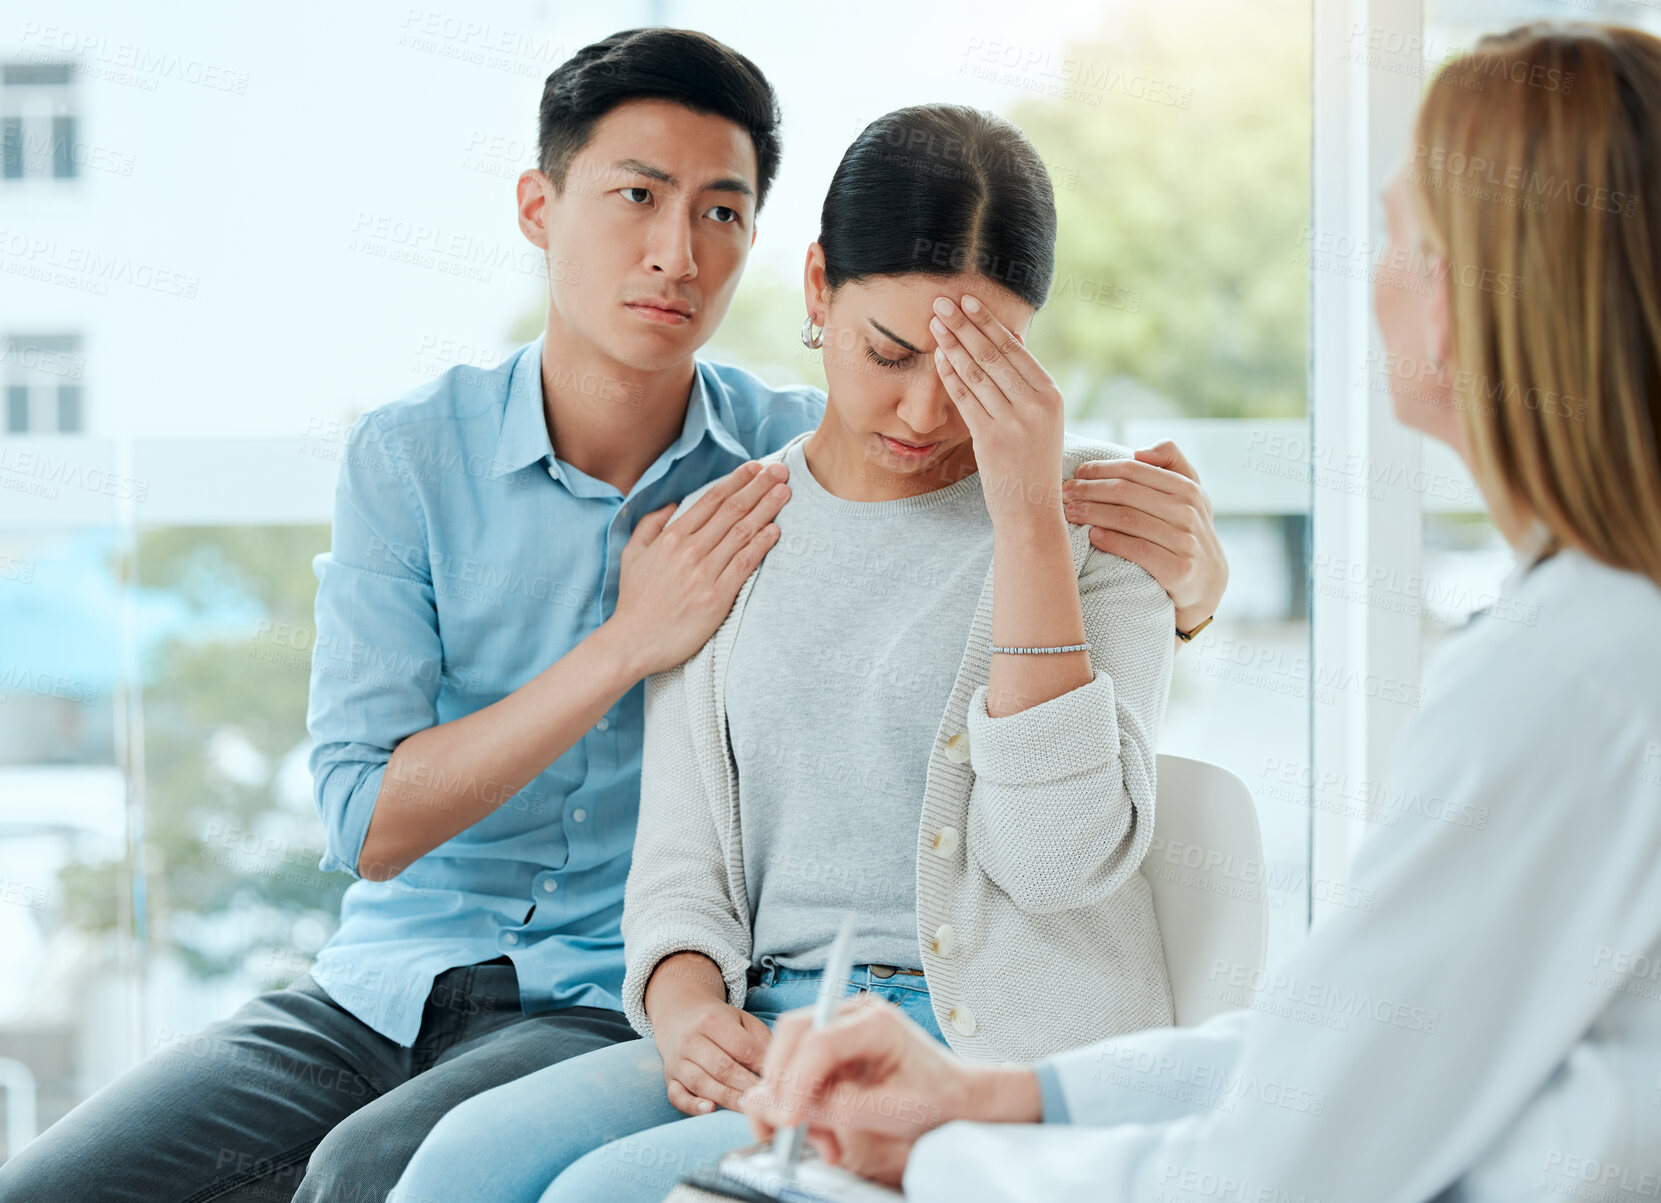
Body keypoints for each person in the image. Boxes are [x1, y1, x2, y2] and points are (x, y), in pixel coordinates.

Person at [0, 28, 1228, 1203]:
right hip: (399, 980)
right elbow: (368, 820)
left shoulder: (789, 462)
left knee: (389, 1176)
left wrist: (1180, 586)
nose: (678, 255)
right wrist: (626, 645)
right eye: (638, 197)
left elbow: (946, 551)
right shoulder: (458, 465)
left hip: (606, 997)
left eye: (720, 211)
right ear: (539, 208)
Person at [741, 21, 1661, 1202]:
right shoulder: (1592, 637)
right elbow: (1351, 1042)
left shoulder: (1563, 681)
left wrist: (940, 1156)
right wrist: (999, 1100)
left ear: (1481, 296)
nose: (1366, 275)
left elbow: (1285, 1163)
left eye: (1394, 236)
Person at [392, 101, 1184, 1203]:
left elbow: (1057, 864)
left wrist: (1025, 521)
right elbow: (679, 864)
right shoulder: (725, 530)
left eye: (974, 367)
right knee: (455, 1171)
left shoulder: (1097, 521)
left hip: (974, 1048)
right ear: (818, 289)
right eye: (889, 351)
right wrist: (682, 1008)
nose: (923, 409)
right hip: (763, 1024)